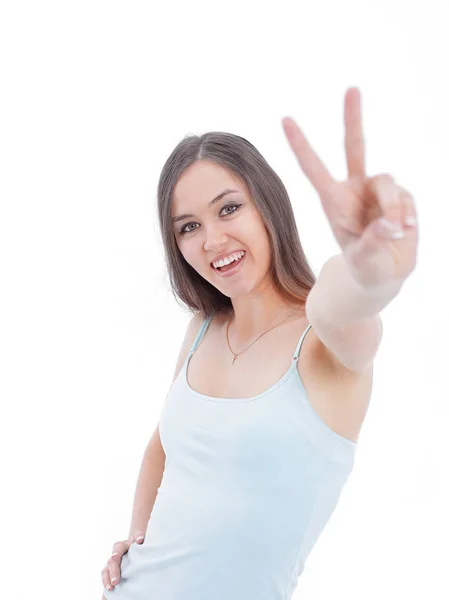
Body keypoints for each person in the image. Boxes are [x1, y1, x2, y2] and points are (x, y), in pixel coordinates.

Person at [100, 88, 418, 599]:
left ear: (267, 204)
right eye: (189, 227)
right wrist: (138, 538)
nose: (211, 241)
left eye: (228, 209)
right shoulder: (202, 329)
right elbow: (163, 443)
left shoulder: (323, 343)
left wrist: (368, 270)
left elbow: (349, 306)